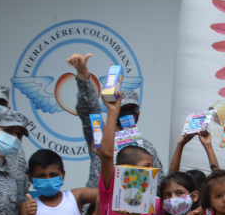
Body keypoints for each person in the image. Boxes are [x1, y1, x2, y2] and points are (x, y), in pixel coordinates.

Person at [68, 53, 163, 192]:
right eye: (123, 109)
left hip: (133, 202)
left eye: (132, 109)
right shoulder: (100, 136)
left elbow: (159, 182)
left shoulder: (146, 146)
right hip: (99, 202)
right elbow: (89, 110)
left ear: (138, 113)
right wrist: (83, 75)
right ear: (114, 109)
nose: (128, 113)